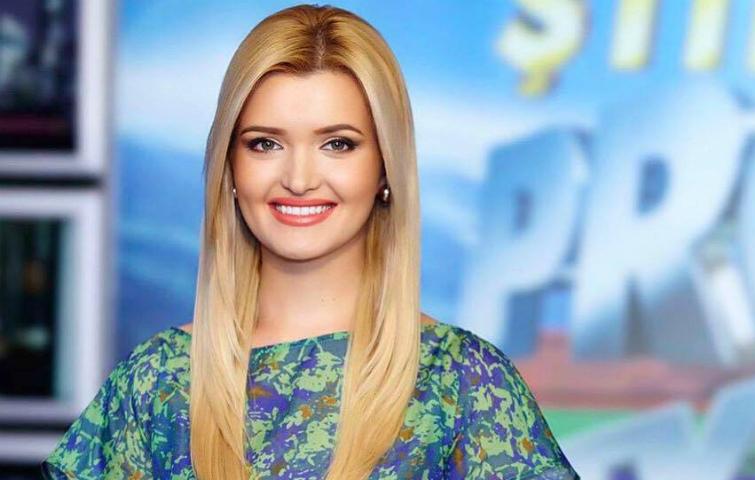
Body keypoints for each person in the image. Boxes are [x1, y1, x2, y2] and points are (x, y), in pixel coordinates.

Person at [40, 4, 581, 479]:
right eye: (265, 143)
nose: (299, 179)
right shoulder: (156, 379)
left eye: (338, 144)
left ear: (385, 167)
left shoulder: (463, 381)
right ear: (230, 166)